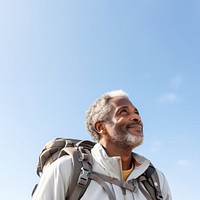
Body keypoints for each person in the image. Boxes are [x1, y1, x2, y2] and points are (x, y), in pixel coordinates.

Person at [32, 89, 172, 200]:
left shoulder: (156, 180)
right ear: (100, 127)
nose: (137, 117)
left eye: (136, 112)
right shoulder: (66, 169)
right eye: (123, 112)